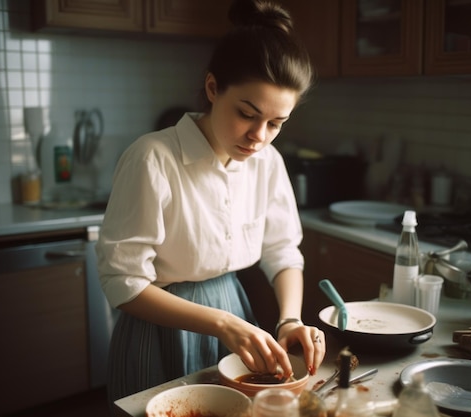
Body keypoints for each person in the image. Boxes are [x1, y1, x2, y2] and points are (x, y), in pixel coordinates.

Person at [96, 0, 326, 406]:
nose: (259, 136)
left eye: (275, 123)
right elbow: (124, 282)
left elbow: (282, 250)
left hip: (232, 311)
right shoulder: (153, 157)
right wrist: (222, 323)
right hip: (161, 327)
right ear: (212, 88)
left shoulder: (267, 162)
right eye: (247, 114)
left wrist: (290, 318)